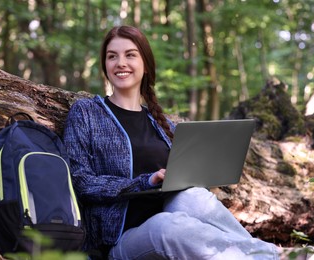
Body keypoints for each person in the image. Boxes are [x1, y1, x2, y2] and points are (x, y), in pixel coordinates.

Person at [63, 25, 280, 259]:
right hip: (117, 241)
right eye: (112, 56)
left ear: (145, 64)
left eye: (130, 55)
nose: (120, 62)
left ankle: (271, 256)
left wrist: (200, 174)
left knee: (195, 198)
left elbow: (186, 190)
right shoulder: (87, 113)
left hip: (175, 221)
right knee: (167, 225)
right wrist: (145, 182)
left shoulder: (162, 124)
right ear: (105, 65)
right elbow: (80, 181)